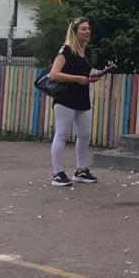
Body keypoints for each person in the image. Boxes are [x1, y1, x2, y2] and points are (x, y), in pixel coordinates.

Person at [47, 18, 104, 186]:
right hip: (65, 97)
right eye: (83, 29)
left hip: (82, 96)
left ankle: (80, 171)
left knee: (85, 134)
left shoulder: (86, 52)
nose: (87, 31)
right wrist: (77, 79)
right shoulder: (66, 50)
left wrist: (89, 79)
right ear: (75, 32)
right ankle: (57, 173)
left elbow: (83, 75)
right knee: (62, 134)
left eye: (88, 28)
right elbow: (53, 74)